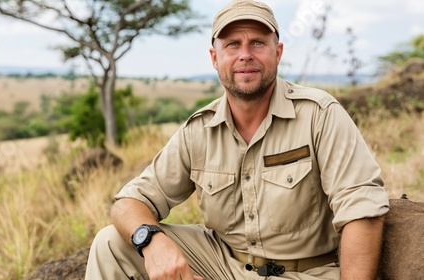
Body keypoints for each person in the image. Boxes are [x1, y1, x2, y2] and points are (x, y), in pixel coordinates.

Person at [85, 0, 389, 279]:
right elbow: (129, 203)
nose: (245, 54)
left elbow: (361, 210)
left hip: (305, 271)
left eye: (257, 42)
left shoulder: (320, 115)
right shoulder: (199, 130)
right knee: (110, 242)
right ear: (215, 58)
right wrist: (152, 242)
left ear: (278, 52)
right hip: (222, 265)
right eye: (233, 44)